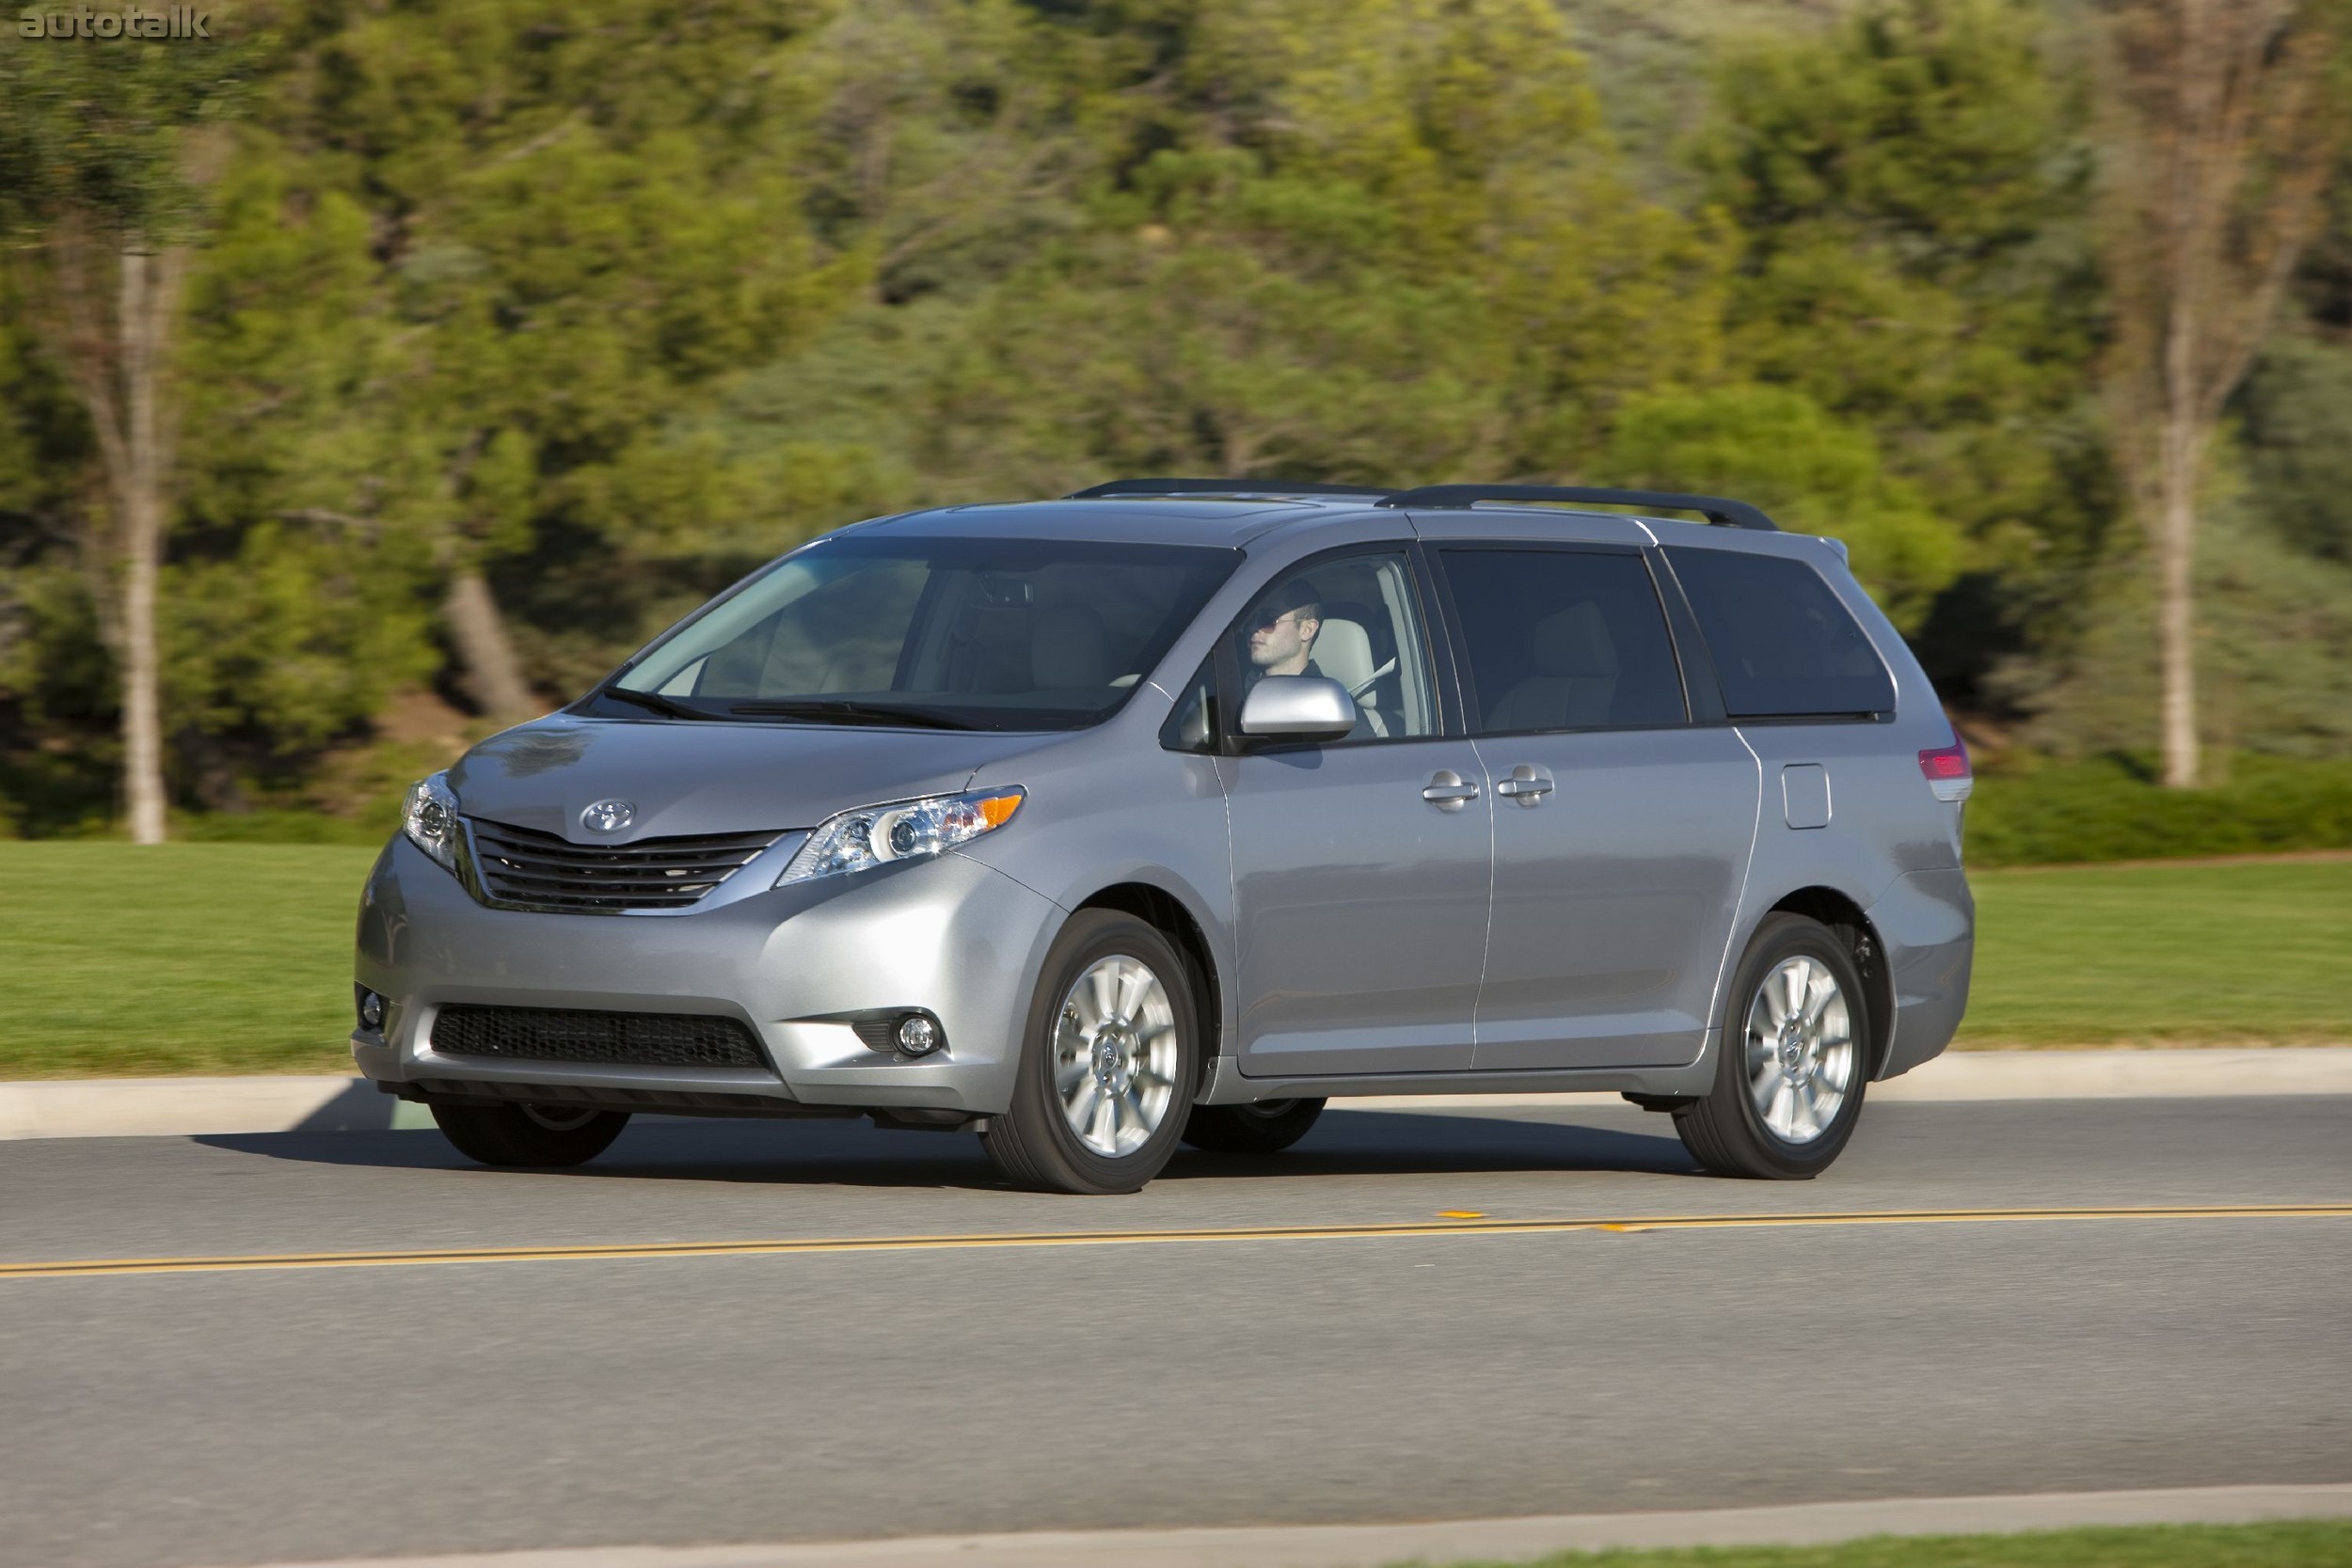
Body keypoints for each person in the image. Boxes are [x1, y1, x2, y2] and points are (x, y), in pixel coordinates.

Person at [1244, 578, 1325, 684]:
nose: (1253, 627)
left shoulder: (1326, 698)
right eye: (1249, 620)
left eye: (1268, 619)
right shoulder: (1227, 687)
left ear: (1307, 630)